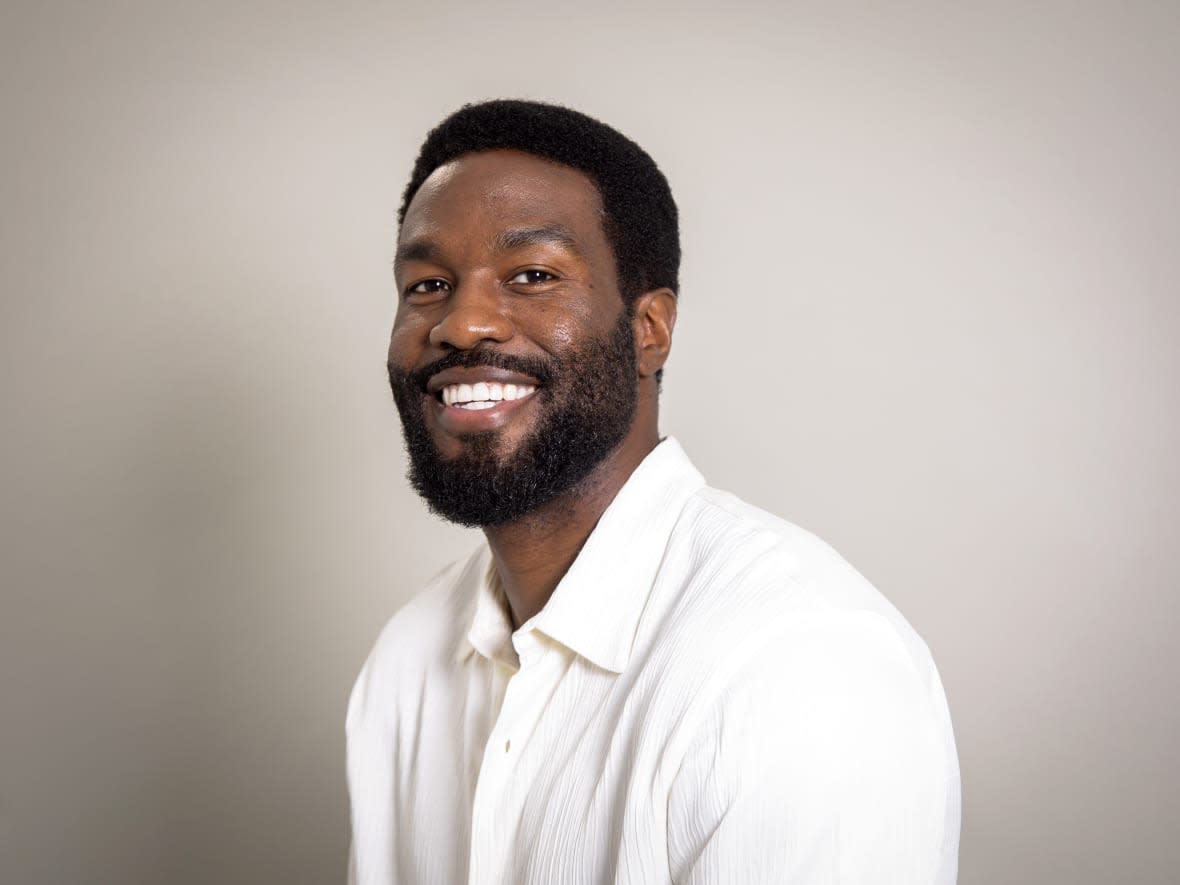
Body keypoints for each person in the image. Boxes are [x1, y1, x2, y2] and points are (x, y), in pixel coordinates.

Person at [347, 99, 960, 885]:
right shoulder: (404, 660)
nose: (462, 324)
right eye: (428, 283)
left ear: (650, 328)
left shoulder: (800, 667)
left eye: (531, 275)